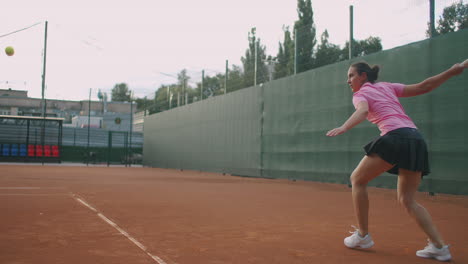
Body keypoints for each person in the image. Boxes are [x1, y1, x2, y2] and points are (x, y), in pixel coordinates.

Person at [326, 61, 466, 261]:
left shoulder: (359, 95)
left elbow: (363, 111)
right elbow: (423, 86)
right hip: (415, 138)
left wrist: (344, 126)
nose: (347, 80)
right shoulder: (387, 87)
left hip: (395, 136)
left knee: (357, 179)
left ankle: (363, 236)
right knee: (407, 199)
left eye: (351, 75)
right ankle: (439, 247)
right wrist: (451, 72)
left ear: (363, 76)